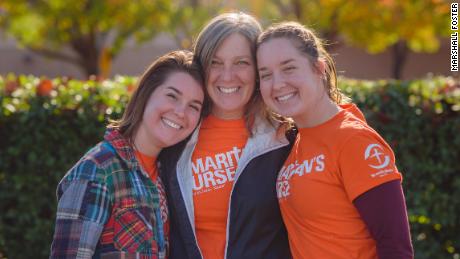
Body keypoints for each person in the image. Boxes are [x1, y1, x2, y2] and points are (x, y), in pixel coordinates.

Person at [256, 21, 414, 259]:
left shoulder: (354, 140)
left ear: (318, 69)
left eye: (288, 68)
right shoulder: (295, 143)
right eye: (265, 74)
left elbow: (396, 247)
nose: (277, 84)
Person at [50, 50, 206, 258]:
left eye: (193, 106)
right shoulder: (98, 170)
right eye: (172, 96)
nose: (180, 112)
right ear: (146, 93)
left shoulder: (168, 176)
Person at [161, 12, 293, 259]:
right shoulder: (176, 134)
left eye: (241, 62)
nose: (227, 76)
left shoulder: (286, 139)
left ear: (257, 69)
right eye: (215, 62)